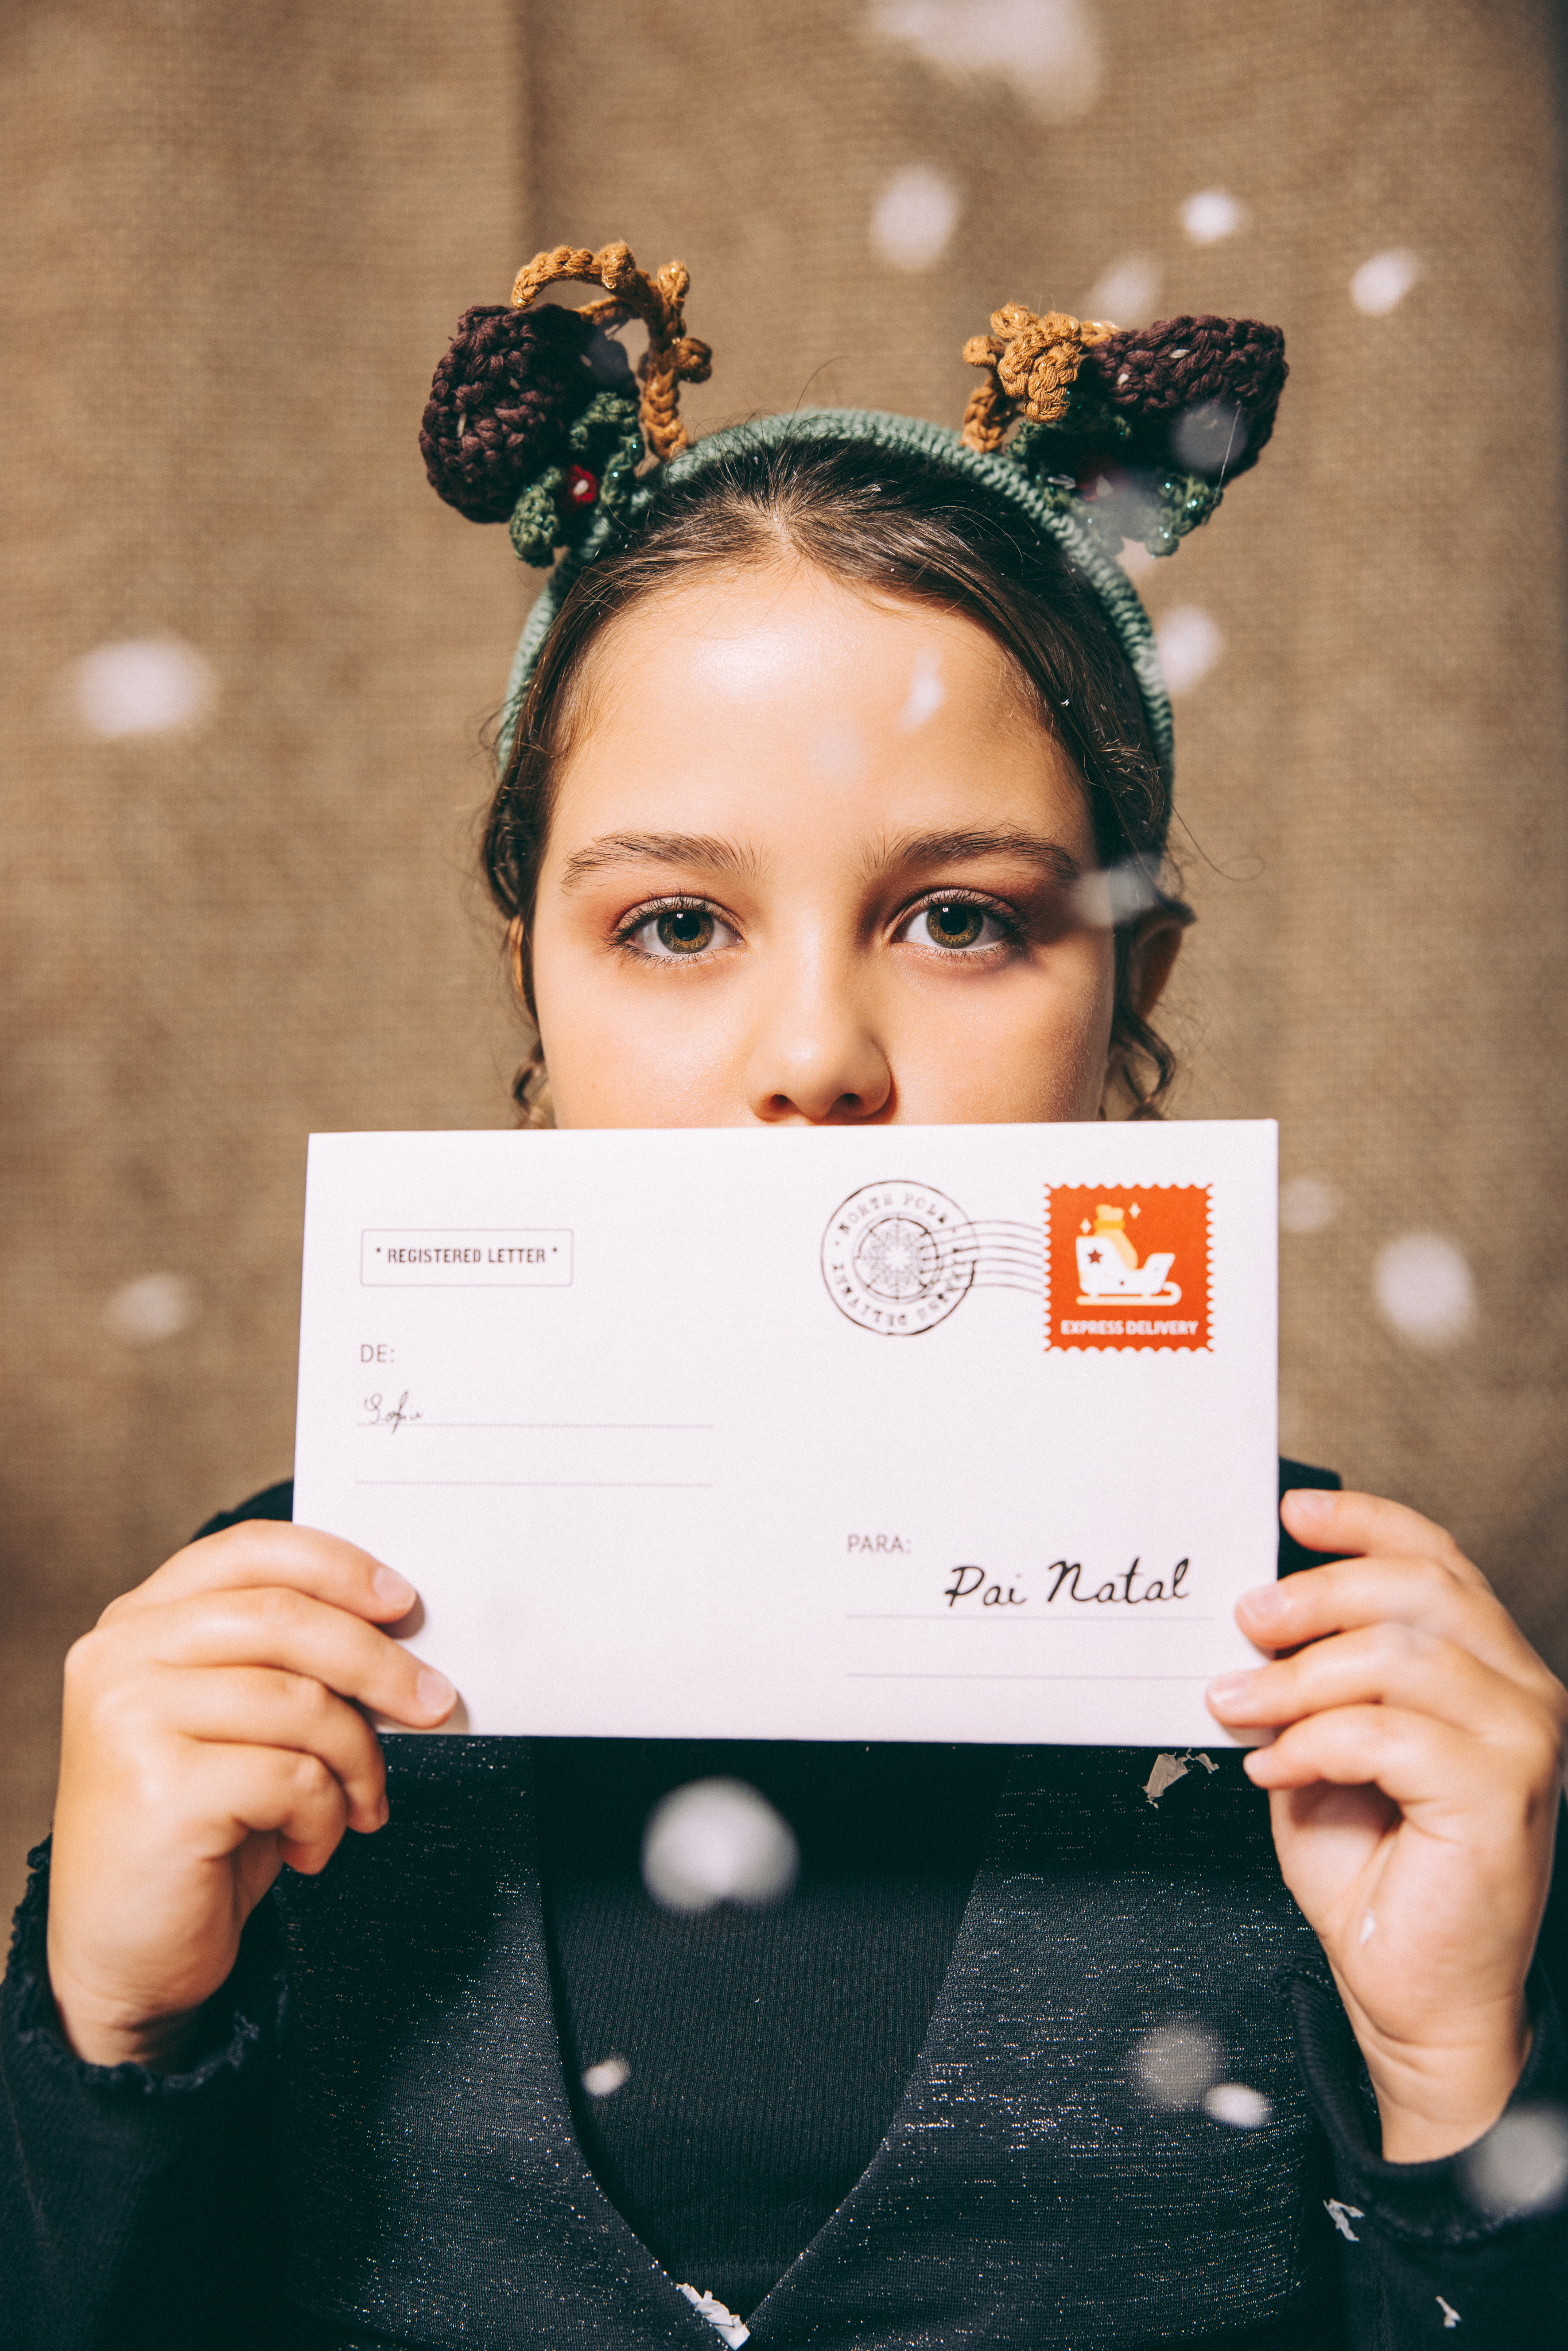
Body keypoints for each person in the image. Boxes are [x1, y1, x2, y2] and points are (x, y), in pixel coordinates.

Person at [3, 243, 1566, 2351]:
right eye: (671, 922)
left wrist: (1463, 2093)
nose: (814, 1053)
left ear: (1129, 991)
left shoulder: (1352, 1721)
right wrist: (106, 2038)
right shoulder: (279, 1660)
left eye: (954, 914)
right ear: (532, 991)